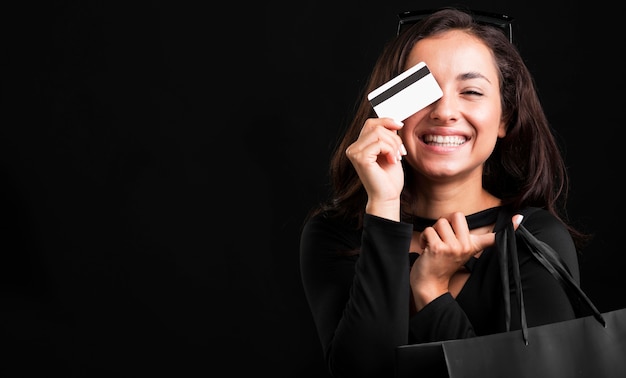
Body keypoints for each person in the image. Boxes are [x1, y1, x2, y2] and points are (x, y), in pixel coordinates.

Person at [299, 7, 590, 378]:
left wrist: (431, 290)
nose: (445, 111)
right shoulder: (335, 234)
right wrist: (384, 208)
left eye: (470, 91)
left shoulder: (533, 239)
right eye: (424, 92)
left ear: (505, 118)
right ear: (390, 112)